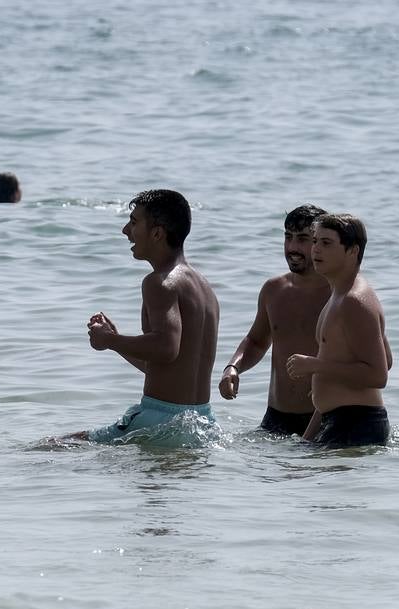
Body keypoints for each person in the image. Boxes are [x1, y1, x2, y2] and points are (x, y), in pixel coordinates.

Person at [68, 189, 220, 444]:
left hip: (160, 419)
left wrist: (108, 340)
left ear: (157, 233)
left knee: (53, 447)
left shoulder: (159, 282)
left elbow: (166, 348)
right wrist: (116, 342)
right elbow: (164, 367)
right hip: (202, 423)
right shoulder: (205, 289)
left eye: (134, 222)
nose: (125, 230)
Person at [218, 204, 331, 436]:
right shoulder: (274, 290)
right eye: (288, 237)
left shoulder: (340, 294)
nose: (292, 247)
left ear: (320, 243)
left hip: (327, 417)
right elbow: (256, 341)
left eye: (302, 239)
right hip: (276, 417)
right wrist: (233, 368)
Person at [286, 214, 392, 447]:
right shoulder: (339, 294)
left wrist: (314, 366)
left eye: (326, 243)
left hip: (357, 424)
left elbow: (379, 374)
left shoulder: (355, 301)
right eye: (315, 241)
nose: (315, 250)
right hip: (335, 421)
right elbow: (387, 360)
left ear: (352, 251)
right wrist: (307, 440)